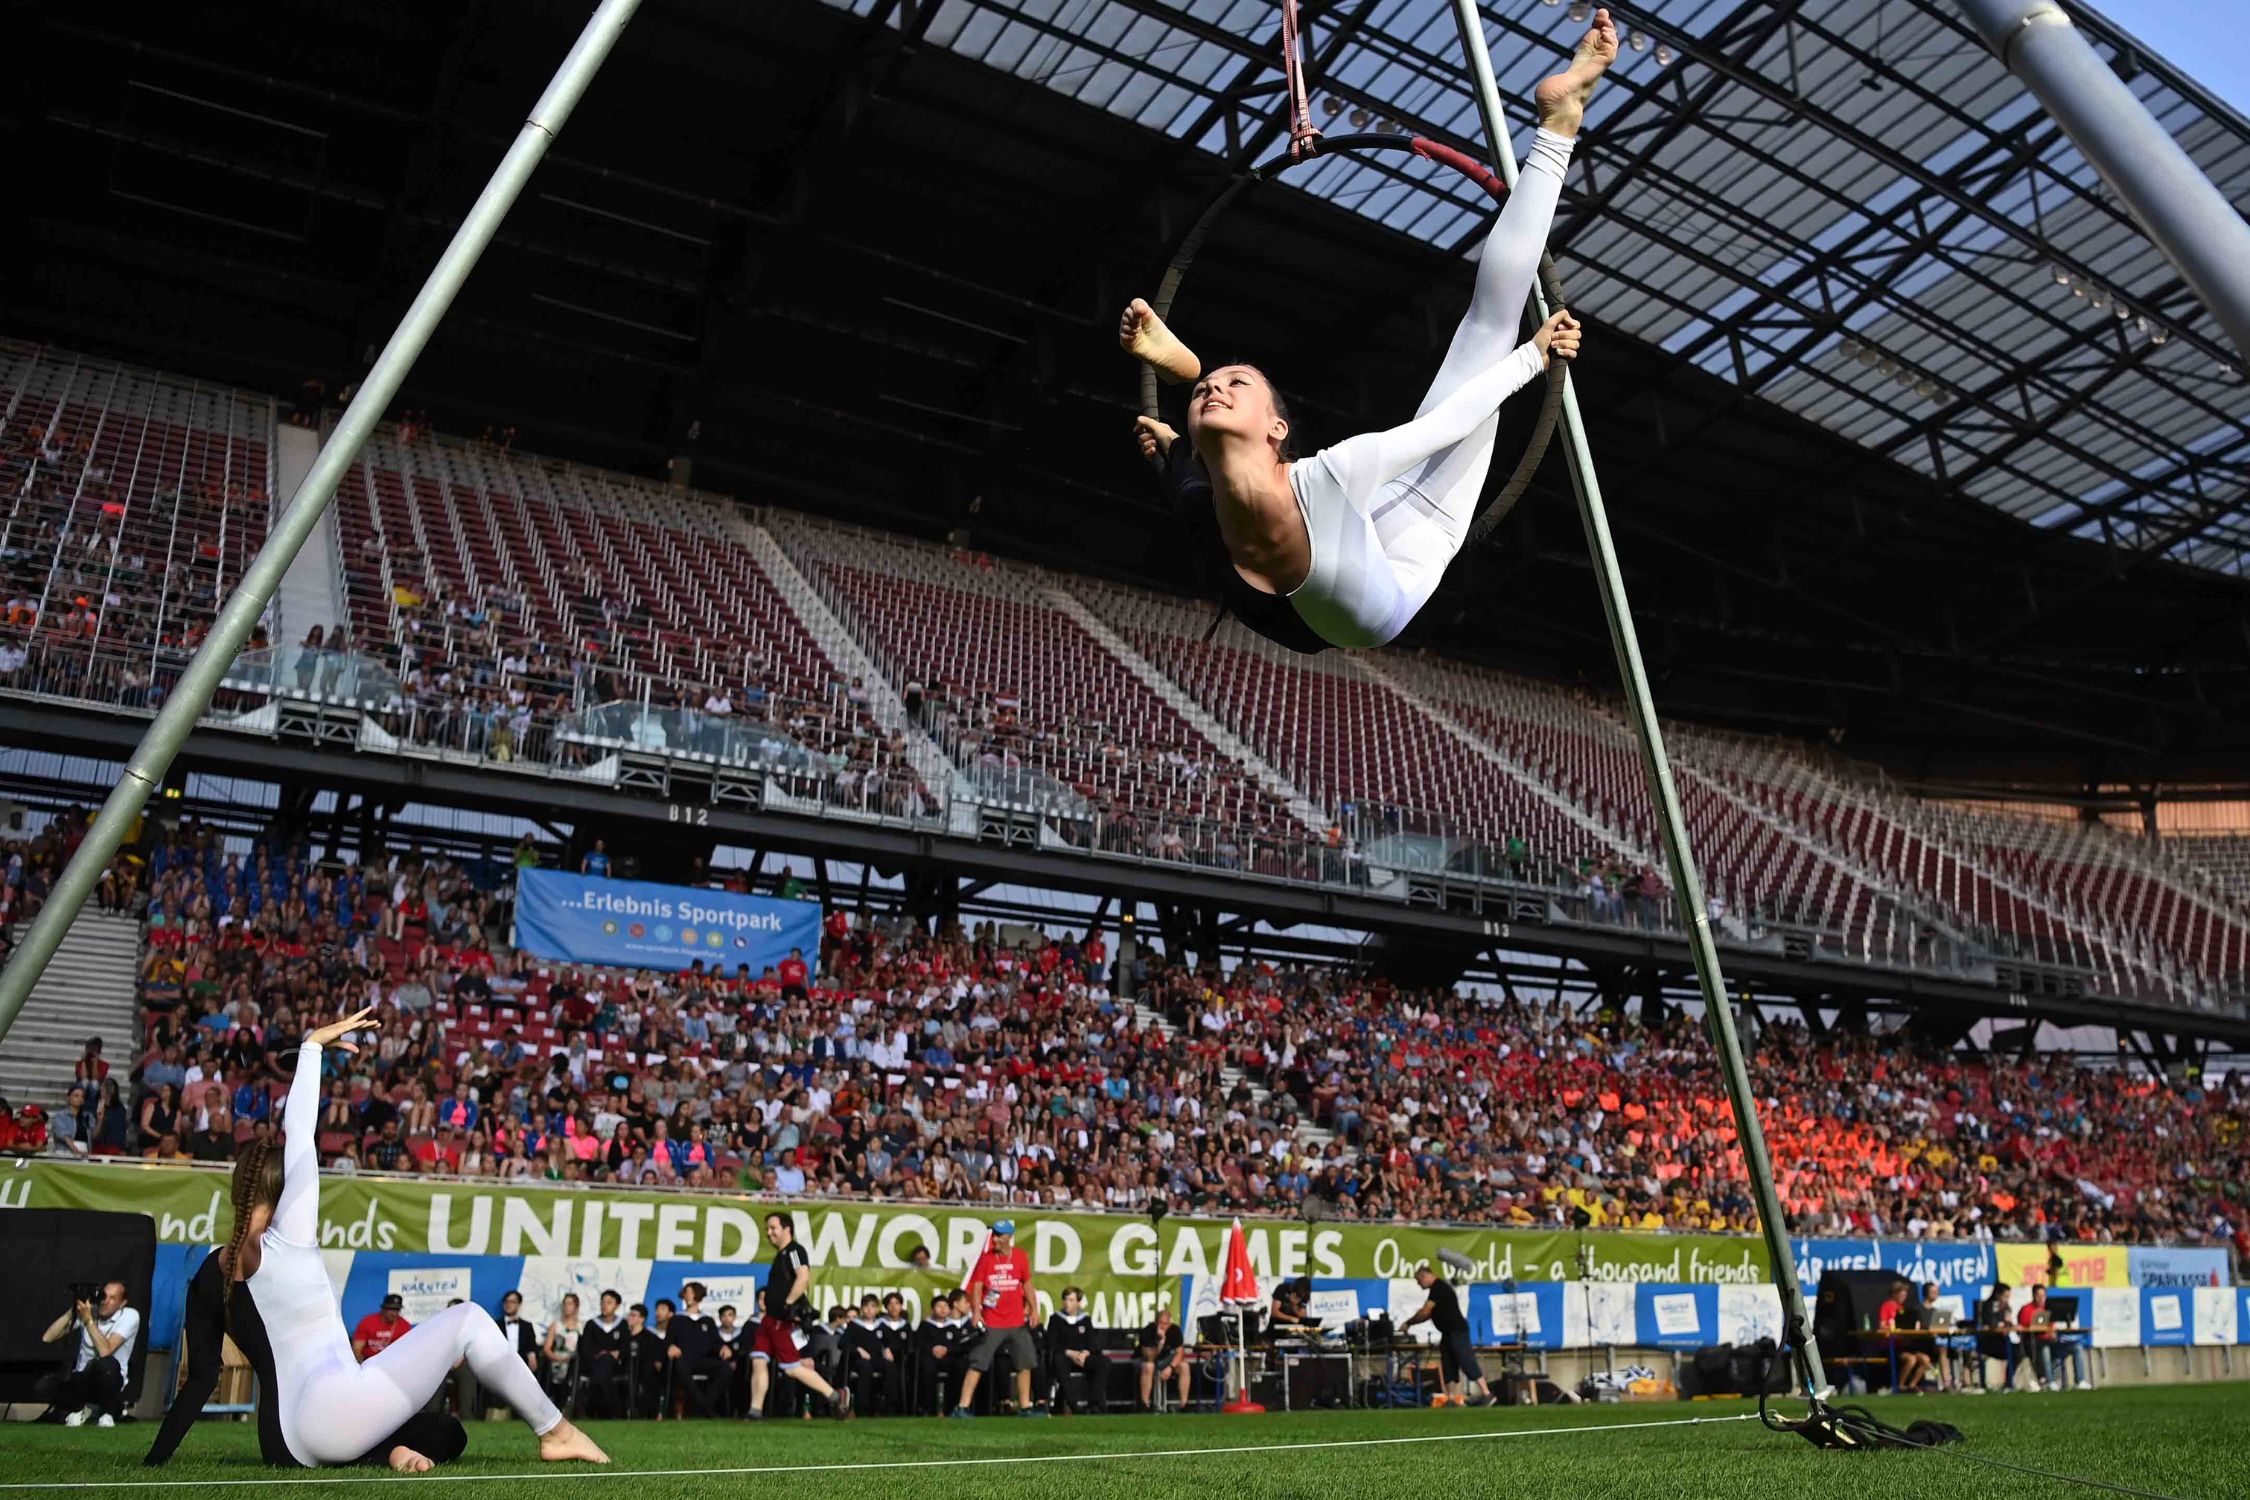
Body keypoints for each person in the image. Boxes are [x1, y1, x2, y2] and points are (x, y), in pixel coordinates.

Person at [1118, 11, 1614, 654]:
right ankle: (1181, 373)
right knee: (1191, 484)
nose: (1221, 389)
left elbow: (1441, 428)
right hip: (1408, 548)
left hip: (1345, 538)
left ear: (1278, 431)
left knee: (1489, 325)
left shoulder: (1317, 476)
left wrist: (1532, 355)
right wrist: (1534, 358)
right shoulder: (1233, 490)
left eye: (1231, 383)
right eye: (1214, 385)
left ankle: (1559, 126)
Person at [141, 1006, 607, 1472]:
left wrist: (155, 1462)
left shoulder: (208, 1270)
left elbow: (202, 1377)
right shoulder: (290, 1238)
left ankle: (387, 1452)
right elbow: (299, 1133)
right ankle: (556, 1431)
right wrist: (311, 1047)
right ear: (284, 1190)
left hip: (285, 1445)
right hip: (335, 1411)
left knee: (445, 1431)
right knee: (467, 1320)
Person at [747, 1213, 851, 1419]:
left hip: (781, 1321)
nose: (768, 1233)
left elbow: (803, 1278)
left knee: (792, 1368)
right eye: (767, 1229)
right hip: (769, 1321)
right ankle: (754, 1411)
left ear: (787, 1229)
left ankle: (835, 1396)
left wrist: (787, 1304)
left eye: (773, 1228)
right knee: (758, 1360)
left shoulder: (794, 1250)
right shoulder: (780, 1255)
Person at [951, 1219, 1045, 1418]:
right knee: (978, 1362)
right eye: (994, 1235)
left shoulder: (1020, 1256)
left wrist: (1034, 1309)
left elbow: (1027, 1284)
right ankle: (962, 1406)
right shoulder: (986, 1259)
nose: (994, 1239)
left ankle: (1026, 1406)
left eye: (999, 1235)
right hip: (992, 1321)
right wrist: (976, 1312)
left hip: (1017, 1320)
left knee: (1024, 1362)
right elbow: (977, 1287)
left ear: (1008, 1238)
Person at [38, 1281, 138, 1427]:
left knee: (107, 1364)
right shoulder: (90, 1311)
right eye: (104, 1296)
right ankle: (80, 1409)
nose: (106, 1302)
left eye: (112, 1298)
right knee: (44, 1385)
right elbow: (48, 1337)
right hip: (83, 1379)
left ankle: (107, 1414)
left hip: (110, 1382)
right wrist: (72, 1311)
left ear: (122, 1303)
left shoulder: (130, 1316)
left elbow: (106, 1351)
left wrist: (88, 1321)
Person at [1400, 1263, 1490, 1406]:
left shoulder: (1439, 1287)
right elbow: (1429, 1313)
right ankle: (1451, 1398)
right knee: (1448, 1364)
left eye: (1419, 1281)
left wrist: (1408, 1323)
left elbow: (1425, 1312)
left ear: (1424, 1275)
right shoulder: (1436, 1290)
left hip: (1457, 1330)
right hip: (1447, 1332)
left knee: (1466, 1360)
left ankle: (1486, 1393)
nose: (1419, 1285)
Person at [1044, 1287, 1100, 1414]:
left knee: (1104, 1362)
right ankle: (1073, 1405)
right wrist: (1070, 1353)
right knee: (1059, 1361)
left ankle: (1095, 1404)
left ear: (1078, 1303)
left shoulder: (1085, 1319)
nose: (1067, 1303)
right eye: (1065, 1299)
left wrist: (1085, 1353)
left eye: (1071, 1300)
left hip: (1082, 1358)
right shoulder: (1056, 1319)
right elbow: (1052, 1343)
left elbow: (1092, 1340)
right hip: (1065, 1357)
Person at [1875, 1279, 1930, 1394]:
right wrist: (1893, 1329)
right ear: (1894, 1293)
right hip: (1890, 1347)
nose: (1904, 1295)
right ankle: (1900, 1386)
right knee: (1911, 1359)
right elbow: (1882, 1326)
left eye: (1905, 1293)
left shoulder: (1903, 1309)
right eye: (1901, 1293)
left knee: (1925, 1360)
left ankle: (1912, 1385)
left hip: (1904, 1345)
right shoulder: (1887, 1306)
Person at [915, 1293, 965, 1415]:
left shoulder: (952, 1327)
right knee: (927, 1369)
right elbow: (918, 1343)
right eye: (939, 1306)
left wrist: (947, 1349)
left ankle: (951, 1408)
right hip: (930, 1359)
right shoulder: (925, 1325)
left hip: (948, 1359)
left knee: (959, 1367)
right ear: (933, 1309)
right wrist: (932, 1349)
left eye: (945, 1306)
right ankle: (929, 1409)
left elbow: (959, 1345)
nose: (942, 1309)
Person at [1134, 1306, 1190, 1411]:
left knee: (1184, 1366)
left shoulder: (1175, 1330)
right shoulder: (1148, 1331)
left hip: (1165, 1361)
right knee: (1149, 1366)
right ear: (1156, 1322)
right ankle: (1145, 1404)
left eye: (1166, 1324)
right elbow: (1149, 1357)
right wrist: (1160, 1343)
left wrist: (1171, 1367)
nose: (1163, 1326)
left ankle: (1184, 1404)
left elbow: (1180, 1352)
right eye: (1161, 1323)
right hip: (1143, 1360)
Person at [542, 1294, 584, 1409]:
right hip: (557, 1360)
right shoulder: (556, 1325)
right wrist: (558, 1358)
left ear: (576, 1306)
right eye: (565, 1304)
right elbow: (547, 1348)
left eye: (570, 1304)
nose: (567, 1307)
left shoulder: (582, 1326)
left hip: (574, 1361)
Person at [352, 1295, 412, 1363]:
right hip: (368, 1361)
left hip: (393, 1363)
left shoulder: (405, 1326)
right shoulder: (367, 1322)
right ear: (383, 1308)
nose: (394, 1313)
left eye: (397, 1310)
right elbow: (357, 1350)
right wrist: (364, 1367)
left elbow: (407, 1352)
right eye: (391, 1309)